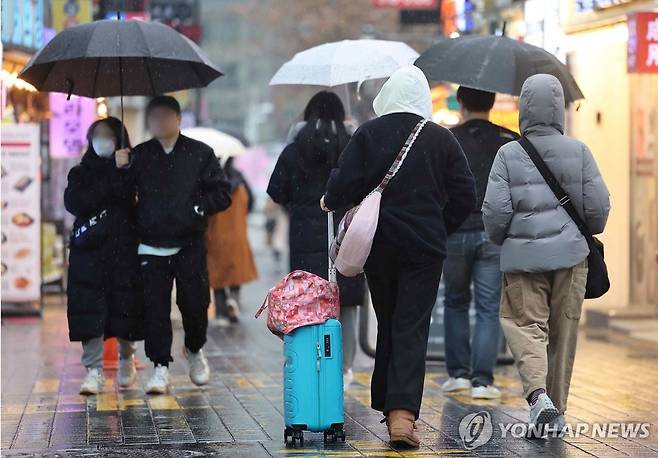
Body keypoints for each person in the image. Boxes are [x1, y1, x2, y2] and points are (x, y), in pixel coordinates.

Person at [321, 66, 476, 447]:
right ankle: (402, 415)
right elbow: (465, 196)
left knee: (389, 321)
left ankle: (392, 407)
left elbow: (341, 185)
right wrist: (440, 227)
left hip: (380, 247)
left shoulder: (369, 134)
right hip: (425, 249)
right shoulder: (441, 139)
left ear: (387, 98)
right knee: (411, 325)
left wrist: (333, 199)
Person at [483, 74, 610, 429]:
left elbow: (495, 213)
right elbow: (598, 210)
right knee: (563, 332)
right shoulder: (580, 151)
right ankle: (556, 410)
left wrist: (506, 239)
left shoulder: (508, 154)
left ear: (524, 107)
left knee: (526, 327)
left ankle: (539, 398)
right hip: (571, 258)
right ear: (559, 109)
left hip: (522, 261)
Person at [115, 96, 232, 394]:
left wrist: (196, 208)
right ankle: (160, 366)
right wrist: (120, 170)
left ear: (178, 119)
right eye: (154, 118)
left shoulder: (200, 154)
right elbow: (123, 199)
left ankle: (194, 349)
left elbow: (222, 194)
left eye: (166, 117)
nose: (160, 123)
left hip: (189, 243)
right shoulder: (139, 156)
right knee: (155, 309)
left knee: (195, 304)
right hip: (151, 245)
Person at [267, 91, 366, 391]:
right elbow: (366, 187)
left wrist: (299, 205)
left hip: (304, 237)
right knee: (345, 302)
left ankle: (312, 361)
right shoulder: (352, 146)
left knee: (307, 300)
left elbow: (277, 191)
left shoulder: (295, 149)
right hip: (345, 235)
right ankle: (345, 368)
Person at [441, 87, 519, 399]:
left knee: (455, 302)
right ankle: (483, 381)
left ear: (460, 102)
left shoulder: (447, 139)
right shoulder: (509, 140)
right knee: (489, 309)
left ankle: (458, 374)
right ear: (490, 104)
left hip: (455, 232)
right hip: (493, 234)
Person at [65, 117, 143, 395]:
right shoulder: (81, 172)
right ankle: (93, 370)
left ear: (120, 139)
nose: (102, 140)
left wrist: (124, 171)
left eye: (108, 135)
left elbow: (135, 204)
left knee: (126, 307)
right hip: (89, 256)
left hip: (124, 252)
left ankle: (126, 359)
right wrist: (112, 171)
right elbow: (77, 202)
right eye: (97, 134)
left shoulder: (133, 170)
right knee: (90, 311)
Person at [206, 156, 258, 327]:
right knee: (236, 270)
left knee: (217, 273)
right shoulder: (240, 179)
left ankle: (221, 312)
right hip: (237, 232)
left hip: (217, 233)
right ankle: (234, 300)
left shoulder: (212, 180)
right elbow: (251, 202)